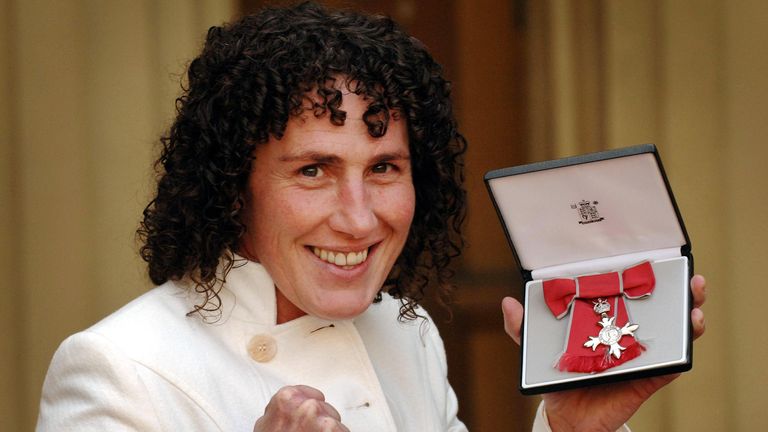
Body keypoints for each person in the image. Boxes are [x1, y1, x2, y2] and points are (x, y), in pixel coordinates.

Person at [37, 2, 707, 431]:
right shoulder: (116, 370)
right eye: (313, 171)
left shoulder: (403, 332)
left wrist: (570, 428)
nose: (359, 221)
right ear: (232, 184)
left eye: (384, 167)